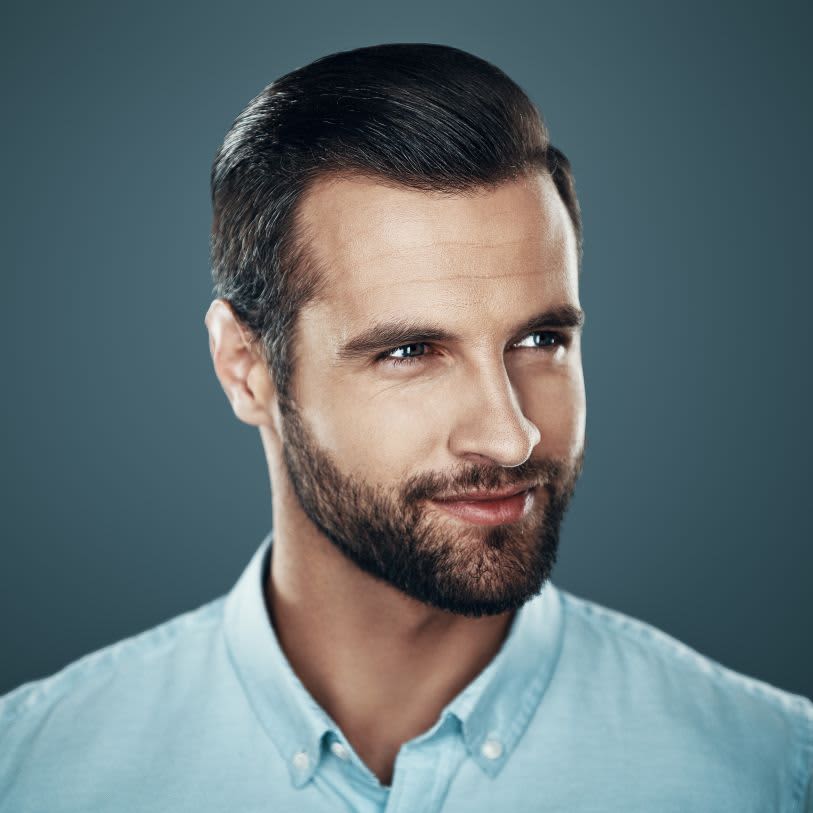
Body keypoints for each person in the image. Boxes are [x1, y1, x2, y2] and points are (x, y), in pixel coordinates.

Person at [1, 42, 810, 812]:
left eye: (539, 340)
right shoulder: (34, 772)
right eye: (410, 351)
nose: (510, 437)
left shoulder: (766, 771)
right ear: (245, 367)